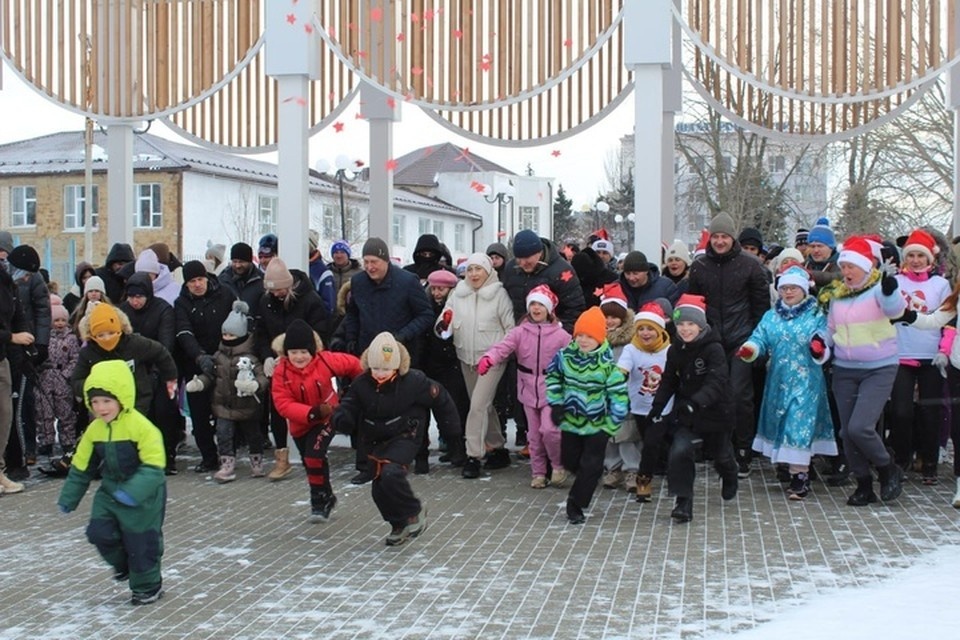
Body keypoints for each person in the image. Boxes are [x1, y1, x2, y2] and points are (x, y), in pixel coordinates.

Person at [332, 332, 460, 546]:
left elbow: (441, 399)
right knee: (379, 488)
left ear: (397, 367)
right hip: (376, 438)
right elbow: (349, 405)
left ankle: (414, 511)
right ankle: (398, 524)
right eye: (376, 368)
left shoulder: (415, 381)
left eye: (386, 368)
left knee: (391, 473)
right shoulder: (361, 384)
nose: (380, 373)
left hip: (406, 434)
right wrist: (341, 418)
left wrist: (452, 431)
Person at [57, 360, 167, 606]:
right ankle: (124, 566)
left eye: (107, 401)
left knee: (142, 545)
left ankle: (147, 586)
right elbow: (81, 468)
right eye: (95, 402)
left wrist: (133, 492)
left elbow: (154, 468)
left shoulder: (142, 427)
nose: (101, 408)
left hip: (143, 496)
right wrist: (69, 498)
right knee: (99, 533)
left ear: (122, 398)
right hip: (110, 493)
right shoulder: (94, 430)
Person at [818, 236, 906, 506]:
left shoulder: (879, 289)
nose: (846, 272)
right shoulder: (838, 295)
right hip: (844, 368)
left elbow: (896, 310)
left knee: (860, 427)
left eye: (851, 268)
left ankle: (887, 468)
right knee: (847, 431)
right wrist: (820, 342)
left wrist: (891, 290)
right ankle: (864, 484)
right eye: (843, 267)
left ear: (866, 267)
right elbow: (831, 329)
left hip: (879, 367)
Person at [736, 266, 837, 500]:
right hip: (778, 379)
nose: (788, 292)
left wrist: (819, 347)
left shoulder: (816, 314)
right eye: (784, 288)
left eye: (793, 288)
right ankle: (788, 466)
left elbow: (825, 336)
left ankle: (800, 476)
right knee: (780, 421)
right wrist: (751, 348)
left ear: (803, 289)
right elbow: (759, 336)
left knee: (798, 422)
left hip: (806, 381)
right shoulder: (772, 315)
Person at [686, 212, 770, 477]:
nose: (720, 241)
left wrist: (758, 342)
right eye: (716, 236)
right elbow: (694, 304)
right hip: (711, 340)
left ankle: (743, 450)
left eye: (724, 236)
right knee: (712, 396)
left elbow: (761, 308)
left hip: (741, 339)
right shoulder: (700, 266)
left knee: (739, 396)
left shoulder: (751, 265)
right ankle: (717, 449)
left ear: (733, 238)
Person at [648, 294, 738, 523]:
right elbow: (668, 380)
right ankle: (683, 501)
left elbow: (716, 382)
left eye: (691, 324)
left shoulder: (714, 349)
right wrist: (658, 406)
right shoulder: (675, 349)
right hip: (687, 413)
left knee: (721, 455)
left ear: (701, 325)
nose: (685, 329)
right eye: (680, 324)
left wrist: (696, 402)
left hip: (716, 411)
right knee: (679, 451)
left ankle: (729, 473)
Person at [479, 285, 570, 488]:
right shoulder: (520, 332)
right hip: (528, 388)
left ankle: (557, 466)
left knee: (551, 431)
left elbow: (574, 357)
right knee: (535, 435)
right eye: (533, 304)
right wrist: (489, 358)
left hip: (552, 389)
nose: (536, 309)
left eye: (541, 305)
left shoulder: (560, 335)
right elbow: (503, 347)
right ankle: (538, 472)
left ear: (549, 309)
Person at [271, 319, 362, 520]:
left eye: (304, 351)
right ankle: (328, 495)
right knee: (312, 461)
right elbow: (282, 403)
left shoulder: (326, 360)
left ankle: (318, 501)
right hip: (301, 424)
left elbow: (355, 365)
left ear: (312, 350)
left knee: (314, 456)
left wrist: (356, 391)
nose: (299, 357)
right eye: (294, 352)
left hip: (328, 417)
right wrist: (311, 413)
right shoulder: (281, 372)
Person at [435, 253, 516, 479]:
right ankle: (498, 448)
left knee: (477, 406)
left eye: (478, 269)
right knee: (482, 405)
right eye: (469, 270)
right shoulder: (458, 293)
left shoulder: (499, 295)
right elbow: (443, 322)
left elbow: (511, 329)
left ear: (488, 271)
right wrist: (445, 323)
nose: (473, 274)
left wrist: (498, 354)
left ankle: (473, 456)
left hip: (491, 359)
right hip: (466, 357)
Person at [546, 306, 629, 524]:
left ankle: (576, 503)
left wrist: (610, 426)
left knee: (590, 466)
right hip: (571, 422)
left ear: (599, 338)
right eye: (580, 335)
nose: (583, 340)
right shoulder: (564, 357)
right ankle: (586, 478)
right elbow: (553, 378)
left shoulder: (608, 366)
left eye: (589, 336)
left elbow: (619, 398)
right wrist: (556, 405)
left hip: (597, 425)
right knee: (570, 461)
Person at [256, 256, 332, 479]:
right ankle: (282, 457)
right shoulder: (266, 301)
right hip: (278, 363)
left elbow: (320, 332)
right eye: (273, 291)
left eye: (281, 290)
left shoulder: (310, 300)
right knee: (278, 409)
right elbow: (261, 332)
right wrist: (268, 356)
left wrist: (299, 355)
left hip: (305, 361)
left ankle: (313, 451)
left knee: (309, 408)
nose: (277, 294)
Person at [887, 229, 951, 483]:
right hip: (900, 353)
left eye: (920, 256)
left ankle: (929, 463)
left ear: (930, 260)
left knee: (929, 411)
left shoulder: (940, 285)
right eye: (911, 255)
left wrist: (944, 349)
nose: (915, 260)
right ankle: (901, 459)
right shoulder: (897, 282)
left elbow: (949, 320)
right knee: (901, 411)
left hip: (931, 355)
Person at [184, 301, 269, 483]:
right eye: (224, 334)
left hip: (247, 406)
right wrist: (200, 383)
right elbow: (211, 376)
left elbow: (262, 377)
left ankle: (256, 461)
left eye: (231, 334)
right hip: (222, 406)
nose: (227, 337)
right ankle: (227, 463)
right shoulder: (218, 356)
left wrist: (256, 386)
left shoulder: (250, 358)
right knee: (223, 434)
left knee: (253, 435)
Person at [174, 260, 237, 473]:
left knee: (226, 412)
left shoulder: (225, 294)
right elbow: (184, 332)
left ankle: (229, 454)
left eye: (200, 279)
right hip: (196, 364)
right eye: (192, 281)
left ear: (207, 278)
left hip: (225, 359)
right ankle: (208, 457)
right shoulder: (181, 303)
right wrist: (199, 357)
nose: (198, 284)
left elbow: (238, 323)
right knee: (199, 415)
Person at [617, 302, 673, 503]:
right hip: (639, 406)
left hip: (662, 406)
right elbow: (623, 366)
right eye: (641, 329)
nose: (645, 333)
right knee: (654, 442)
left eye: (650, 329)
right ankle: (670, 466)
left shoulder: (669, 351)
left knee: (651, 442)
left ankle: (644, 479)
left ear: (659, 330)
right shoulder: (631, 349)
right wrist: (619, 376)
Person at [419, 269, 469, 472]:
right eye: (435, 288)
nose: (438, 293)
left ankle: (458, 448)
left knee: (455, 408)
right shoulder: (425, 305)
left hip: (452, 363)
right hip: (431, 362)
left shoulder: (456, 305)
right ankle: (450, 446)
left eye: (442, 289)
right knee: (439, 408)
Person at [594, 284, 641, 493]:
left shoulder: (631, 341)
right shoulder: (596, 339)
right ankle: (611, 468)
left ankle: (633, 469)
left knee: (627, 435)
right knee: (607, 436)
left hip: (624, 395)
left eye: (615, 316)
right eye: (607, 316)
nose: (610, 321)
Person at [500, 229, 585, 334]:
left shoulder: (562, 271)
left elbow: (575, 309)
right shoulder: (511, 268)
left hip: (551, 337)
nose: (522, 263)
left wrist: (558, 334)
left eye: (527, 258)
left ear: (539, 252)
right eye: (519, 259)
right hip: (520, 336)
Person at [35, 296, 80, 467]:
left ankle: (67, 440)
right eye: (56, 320)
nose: (60, 323)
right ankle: (45, 441)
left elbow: (75, 358)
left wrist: (66, 374)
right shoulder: (44, 337)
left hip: (62, 380)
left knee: (65, 412)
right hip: (45, 378)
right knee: (44, 412)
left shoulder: (71, 338)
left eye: (62, 320)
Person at [0, 263, 33, 495]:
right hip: (6, 343)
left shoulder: (6, 281)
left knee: (4, 414)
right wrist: (12, 337)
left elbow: (18, 315)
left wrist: (28, 340)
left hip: (1, 358)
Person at [218, 242, 264, 312]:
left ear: (250, 261)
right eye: (234, 261)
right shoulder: (223, 280)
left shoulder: (261, 280)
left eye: (241, 262)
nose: (237, 265)